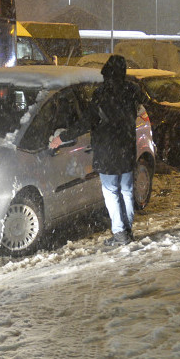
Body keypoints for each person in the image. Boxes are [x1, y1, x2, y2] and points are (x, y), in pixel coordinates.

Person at [51, 54, 147, 246]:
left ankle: (120, 233)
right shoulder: (131, 91)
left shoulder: (102, 94)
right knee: (127, 191)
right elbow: (143, 103)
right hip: (126, 148)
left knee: (111, 192)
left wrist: (61, 138)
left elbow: (86, 121)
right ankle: (127, 229)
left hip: (108, 150)